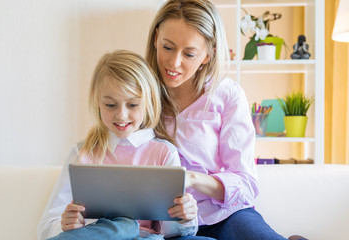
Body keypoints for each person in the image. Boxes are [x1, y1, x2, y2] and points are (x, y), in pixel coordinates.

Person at [146, 0, 305, 239]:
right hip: (171, 224)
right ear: (156, 38)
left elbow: (246, 182)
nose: (174, 62)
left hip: (226, 215)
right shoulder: (138, 94)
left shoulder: (227, 95)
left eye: (189, 53)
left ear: (208, 55)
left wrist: (192, 179)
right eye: (168, 47)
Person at [37, 50, 203, 240]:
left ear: (148, 103)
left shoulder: (164, 153)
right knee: (123, 226)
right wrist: (66, 225)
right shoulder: (83, 152)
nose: (121, 115)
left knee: (132, 228)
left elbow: (170, 232)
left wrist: (184, 217)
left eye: (132, 105)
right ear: (98, 102)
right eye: (110, 105)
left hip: (146, 238)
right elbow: (46, 228)